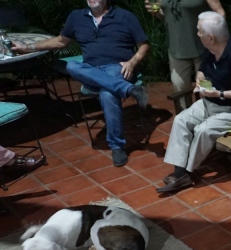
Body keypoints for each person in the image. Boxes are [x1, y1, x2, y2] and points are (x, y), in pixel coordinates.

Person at [12, 0, 149, 168]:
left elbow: (144, 45)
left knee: (107, 94)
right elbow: (61, 41)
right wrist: (27, 47)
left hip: (117, 67)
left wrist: (132, 63)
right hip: (90, 69)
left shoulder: (124, 16)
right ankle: (129, 89)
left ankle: (116, 146)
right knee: (72, 66)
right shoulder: (77, 17)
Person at [155, 11, 231, 193]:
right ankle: (179, 172)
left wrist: (220, 93)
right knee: (180, 120)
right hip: (209, 103)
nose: (197, 34)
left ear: (210, 37)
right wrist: (200, 80)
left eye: (199, 31)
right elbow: (202, 70)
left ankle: (184, 172)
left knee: (203, 130)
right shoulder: (210, 51)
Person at [144, 0, 225, 106]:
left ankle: (209, 117)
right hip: (176, 48)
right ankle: (186, 119)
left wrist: (215, 36)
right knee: (180, 91)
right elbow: (167, 16)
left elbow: (220, 13)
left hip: (204, 48)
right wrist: (157, 13)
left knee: (205, 89)